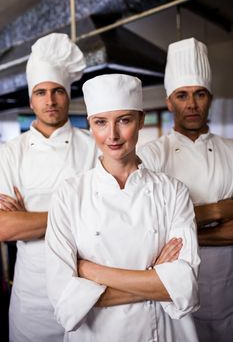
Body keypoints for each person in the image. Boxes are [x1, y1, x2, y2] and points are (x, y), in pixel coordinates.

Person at [45, 73, 200, 342]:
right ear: (90, 125)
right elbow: (64, 301)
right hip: (97, 334)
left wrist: (94, 273)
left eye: (124, 120)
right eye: (101, 123)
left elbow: (186, 286)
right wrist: (156, 280)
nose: (112, 135)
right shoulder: (69, 195)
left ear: (140, 121)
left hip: (163, 332)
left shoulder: (172, 191)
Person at [0, 33, 98, 342]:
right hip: (31, 296)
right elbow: (4, 228)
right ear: (31, 98)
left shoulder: (94, 146)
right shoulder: (10, 152)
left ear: (68, 95)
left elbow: (107, 218)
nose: (50, 100)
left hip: (85, 285)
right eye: (41, 92)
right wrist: (76, 213)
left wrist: (29, 219)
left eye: (57, 91)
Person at [138, 37, 233, 342]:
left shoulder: (232, 151)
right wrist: (218, 211)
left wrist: (183, 233)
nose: (191, 104)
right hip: (173, 293)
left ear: (210, 99)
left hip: (227, 287)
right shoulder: (150, 156)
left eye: (199, 94)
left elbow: (166, 233)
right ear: (169, 101)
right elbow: (148, 229)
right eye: (182, 95)